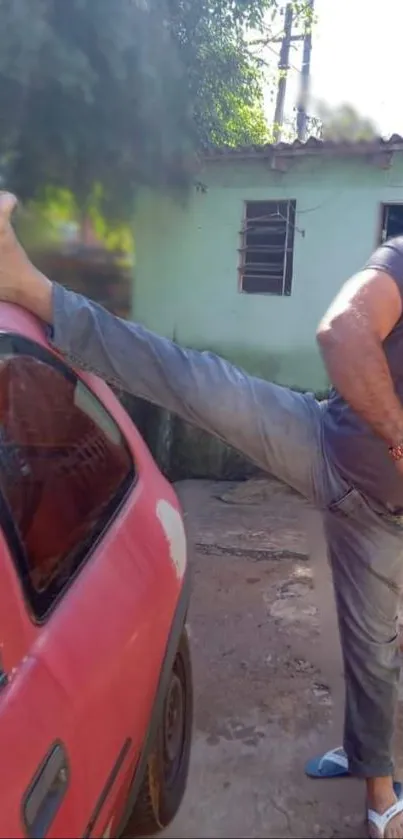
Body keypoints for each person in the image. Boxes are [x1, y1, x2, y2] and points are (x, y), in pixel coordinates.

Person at [1, 192, 403, 839]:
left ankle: (376, 787)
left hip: (384, 516)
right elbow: (343, 331)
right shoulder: (400, 260)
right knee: (194, 379)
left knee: (374, 651)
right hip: (324, 442)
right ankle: (31, 287)